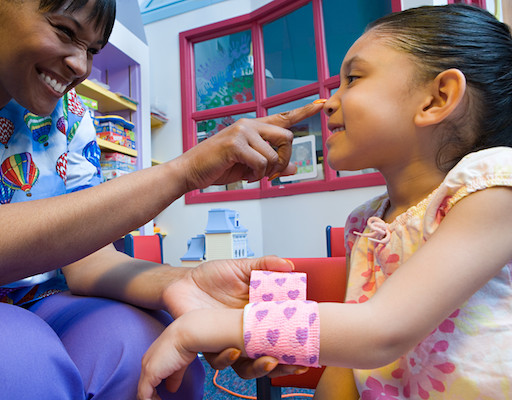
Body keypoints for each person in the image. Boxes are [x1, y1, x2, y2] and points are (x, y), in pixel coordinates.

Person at [0, 0, 326, 398]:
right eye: (64, 30)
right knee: (9, 359)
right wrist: (186, 171)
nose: (80, 65)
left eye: (91, 50)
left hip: (38, 304)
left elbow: (89, 258)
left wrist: (181, 283)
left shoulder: (68, 114)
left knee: (144, 346)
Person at [137, 4, 512, 400]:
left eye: (354, 78)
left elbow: (381, 330)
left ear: (436, 99)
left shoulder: (492, 186)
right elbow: (350, 360)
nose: (330, 102)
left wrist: (206, 326)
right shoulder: (365, 222)